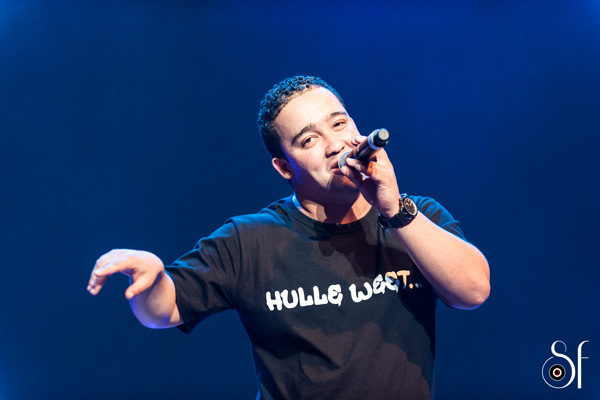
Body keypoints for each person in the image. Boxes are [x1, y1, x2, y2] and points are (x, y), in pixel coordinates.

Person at [87, 75, 490, 399]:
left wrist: (395, 211)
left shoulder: (416, 217)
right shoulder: (249, 240)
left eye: (339, 123)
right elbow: (164, 310)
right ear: (284, 167)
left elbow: (473, 291)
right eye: (309, 139)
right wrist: (153, 279)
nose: (335, 145)